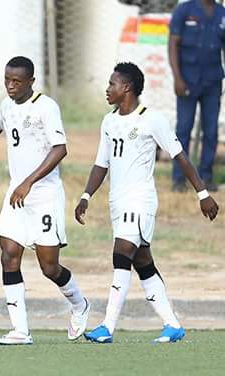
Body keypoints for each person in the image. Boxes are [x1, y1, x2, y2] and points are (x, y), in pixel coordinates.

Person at [0, 56, 90, 346]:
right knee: (9, 254)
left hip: (43, 195)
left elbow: (60, 149)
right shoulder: (7, 105)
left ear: (31, 82)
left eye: (16, 82)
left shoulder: (46, 107)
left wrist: (28, 182)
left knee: (50, 267)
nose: (10, 86)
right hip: (17, 195)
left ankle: (80, 304)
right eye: (7, 80)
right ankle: (20, 330)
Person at [79, 62, 219, 343]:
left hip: (140, 201)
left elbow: (180, 155)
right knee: (143, 263)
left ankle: (107, 326)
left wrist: (202, 194)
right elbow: (100, 164)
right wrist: (86, 196)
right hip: (117, 202)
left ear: (126, 88)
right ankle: (172, 324)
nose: (107, 89)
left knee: (121, 255)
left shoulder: (151, 119)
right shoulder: (109, 121)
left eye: (112, 84)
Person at [168, 0, 225, 192]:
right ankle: (179, 179)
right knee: (183, 130)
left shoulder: (221, 13)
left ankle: (206, 177)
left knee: (211, 132)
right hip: (187, 80)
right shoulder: (184, 10)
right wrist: (177, 78)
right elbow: (173, 44)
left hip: (213, 82)